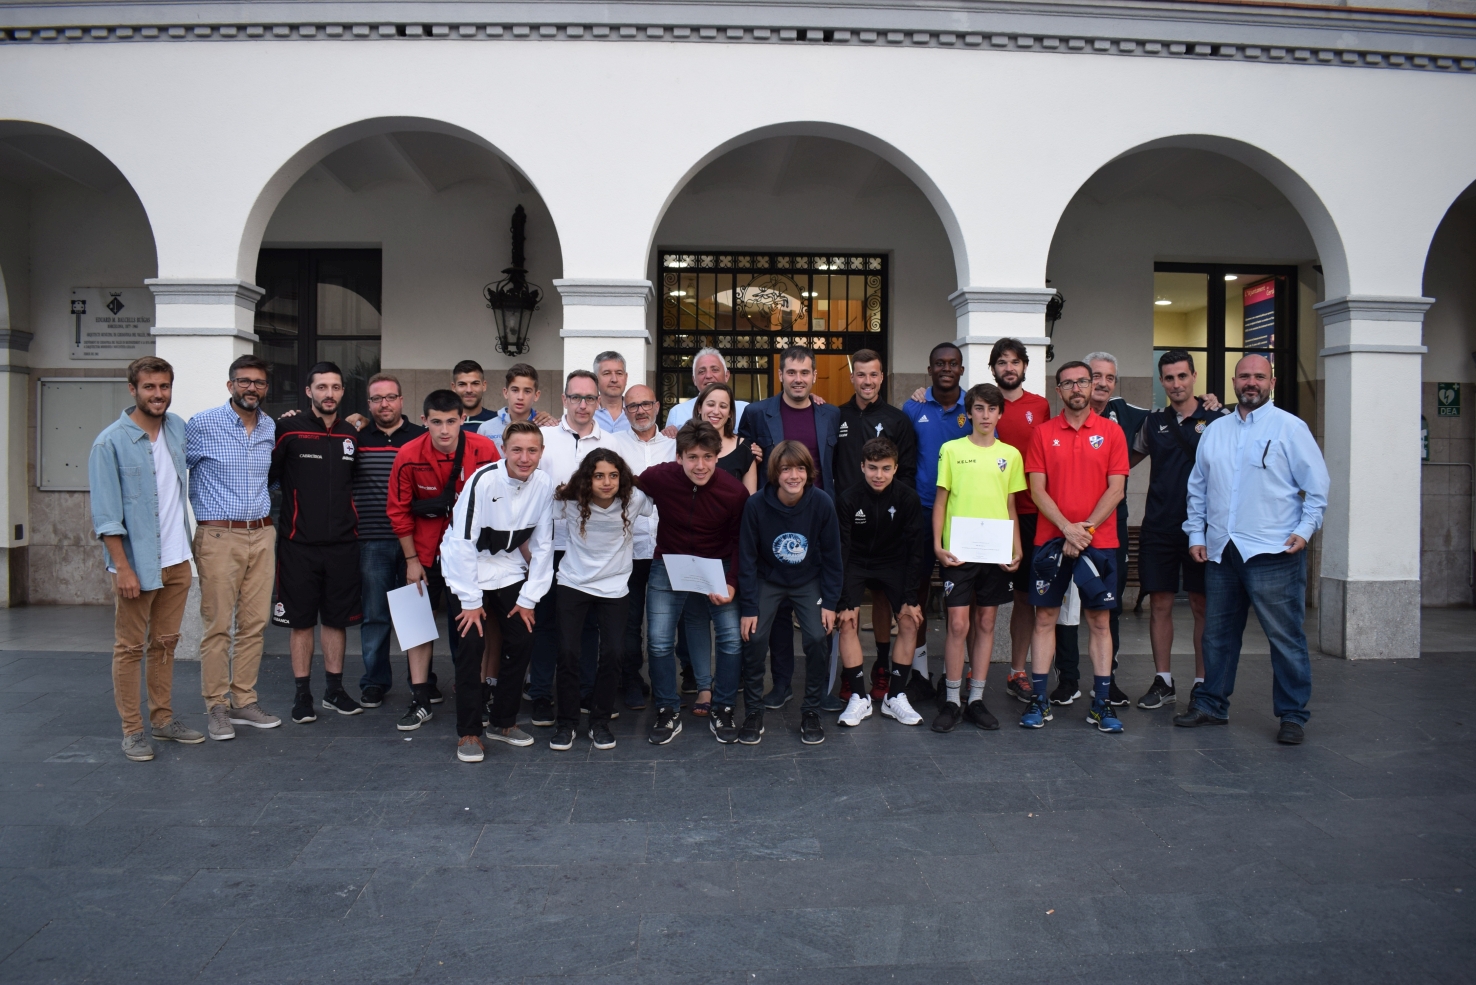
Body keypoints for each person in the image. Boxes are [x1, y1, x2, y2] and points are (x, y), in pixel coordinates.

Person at [1174, 354, 1328, 746]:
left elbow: (1318, 486)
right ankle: (1211, 704)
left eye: (1259, 376)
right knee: (1218, 636)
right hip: (1223, 551)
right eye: (1244, 376)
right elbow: (1198, 488)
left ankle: (1292, 715)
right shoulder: (1215, 430)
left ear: (1271, 383)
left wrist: (1306, 529)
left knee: (1285, 638)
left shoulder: (1291, 428)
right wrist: (1196, 535)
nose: (1251, 382)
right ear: (1233, 381)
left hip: (1274, 551)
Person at [89, 355, 205, 761]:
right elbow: (106, 517)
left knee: (166, 644)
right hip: (137, 565)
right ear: (133, 389)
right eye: (150, 387)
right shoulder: (110, 442)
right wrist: (122, 567)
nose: (159, 394)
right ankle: (133, 731)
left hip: (177, 561)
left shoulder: (177, 429)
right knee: (129, 648)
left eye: (164, 386)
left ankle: (163, 719)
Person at [1019, 361, 1130, 734]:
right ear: (1059, 390)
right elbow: (1037, 490)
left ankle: (1100, 703)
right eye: (1068, 383)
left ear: (1093, 384)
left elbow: (1116, 489)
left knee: (1100, 621)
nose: (1077, 389)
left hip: (1101, 543)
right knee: (1045, 619)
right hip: (1051, 541)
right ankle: (1039, 699)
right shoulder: (1043, 433)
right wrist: (1068, 529)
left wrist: (1086, 530)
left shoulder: (1112, 432)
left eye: (1083, 381)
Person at [439, 421, 556, 762]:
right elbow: (461, 543)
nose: (524, 457)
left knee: (522, 638)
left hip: (506, 567)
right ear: (504, 449)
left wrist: (529, 598)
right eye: (517, 449)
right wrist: (471, 602)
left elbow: (544, 544)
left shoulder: (544, 484)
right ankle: (469, 732)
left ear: (541, 453)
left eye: (532, 450)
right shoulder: (482, 480)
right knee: (471, 642)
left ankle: (503, 722)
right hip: (468, 566)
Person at [387, 389, 500, 731]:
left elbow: (499, 499)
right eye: (436, 422)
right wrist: (411, 560)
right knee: (415, 622)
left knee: (472, 626)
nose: (444, 430)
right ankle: (420, 697)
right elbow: (398, 511)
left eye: (452, 421)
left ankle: (478, 693)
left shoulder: (484, 450)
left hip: (471, 556)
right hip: (422, 553)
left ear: (463, 420)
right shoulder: (407, 454)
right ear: (424, 421)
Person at [738, 346, 842, 711]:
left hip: (816, 519)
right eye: (792, 372)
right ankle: (780, 684)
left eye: (805, 373)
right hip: (771, 521)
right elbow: (742, 458)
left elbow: (837, 467)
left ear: (814, 376)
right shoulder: (756, 412)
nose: (798, 379)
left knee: (818, 625)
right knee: (776, 616)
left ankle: (821, 690)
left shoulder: (830, 413)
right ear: (780, 375)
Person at [184, 353, 281, 740]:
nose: (251, 388)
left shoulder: (269, 427)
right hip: (219, 536)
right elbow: (174, 470)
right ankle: (217, 707)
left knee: (255, 624)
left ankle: (244, 700)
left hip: (261, 534)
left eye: (258, 382)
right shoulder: (202, 424)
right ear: (230, 385)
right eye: (244, 381)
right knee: (218, 625)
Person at [635, 421, 748, 745]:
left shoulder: (733, 491)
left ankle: (723, 706)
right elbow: (628, 484)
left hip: (718, 563)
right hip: (669, 562)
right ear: (679, 456)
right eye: (692, 457)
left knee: (729, 637)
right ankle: (667, 709)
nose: (700, 465)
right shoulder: (660, 476)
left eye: (708, 457)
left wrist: (731, 583)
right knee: (657, 640)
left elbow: (742, 540)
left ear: (717, 457)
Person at [1131, 350, 1228, 710]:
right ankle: (1164, 680)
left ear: (1194, 377)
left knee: (1203, 605)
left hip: (1204, 529)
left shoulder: (1219, 419)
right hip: (1159, 526)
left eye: (1182, 376)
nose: (1176, 384)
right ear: (1161, 382)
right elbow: (1123, 461)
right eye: (1169, 378)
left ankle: (1203, 683)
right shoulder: (1153, 423)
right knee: (1160, 603)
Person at [1050, 351, 1148, 707]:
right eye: (1096, 376)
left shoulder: (1128, 419)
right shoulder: (1057, 421)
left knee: (1106, 607)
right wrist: (1069, 530)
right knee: (1064, 608)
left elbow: (1174, 414)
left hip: (1107, 529)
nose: (1102, 383)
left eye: (1109, 377)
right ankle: (1068, 679)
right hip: (1062, 530)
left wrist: (1208, 402)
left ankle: (1108, 681)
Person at [270, 361, 364, 724]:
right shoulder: (288, 429)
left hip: (343, 544)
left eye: (336, 387)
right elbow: (271, 477)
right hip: (298, 544)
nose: (329, 394)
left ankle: (335, 690)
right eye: (321, 387)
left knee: (337, 621)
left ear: (342, 392)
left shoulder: (351, 433)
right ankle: (302, 694)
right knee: (301, 622)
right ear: (308, 391)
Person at [930, 383, 1025, 733]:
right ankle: (952, 699)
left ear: (1001, 413)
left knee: (986, 623)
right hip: (958, 551)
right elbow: (940, 501)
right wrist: (938, 545)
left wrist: (1017, 547)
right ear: (968, 412)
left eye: (992, 409)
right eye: (979, 408)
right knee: (957, 624)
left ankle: (976, 699)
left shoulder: (1010, 455)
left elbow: (1011, 505)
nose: (986, 415)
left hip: (995, 551)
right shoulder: (951, 450)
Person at [737, 441, 842, 746]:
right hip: (767, 579)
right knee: (754, 637)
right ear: (775, 473)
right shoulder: (756, 505)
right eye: (786, 469)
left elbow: (834, 558)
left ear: (809, 472)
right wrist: (748, 607)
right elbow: (747, 559)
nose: (793, 476)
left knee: (816, 636)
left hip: (808, 580)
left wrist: (830, 602)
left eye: (800, 468)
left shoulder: (822, 503)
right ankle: (754, 712)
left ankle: (811, 710)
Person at [549, 449, 654, 750]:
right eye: (598, 475)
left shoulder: (633, 500)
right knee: (568, 653)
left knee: (613, 654)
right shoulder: (569, 501)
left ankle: (600, 722)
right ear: (587, 478)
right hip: (573, 582)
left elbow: (660, 497)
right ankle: (566, 724)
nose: (606, 482)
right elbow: (537, 520)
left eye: (612, 475)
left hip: (614, 587)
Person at [528, 369, 617, 726]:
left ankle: (584, 690)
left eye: (590, 398)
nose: (583, 404)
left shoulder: (611, 442)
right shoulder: (544, 437)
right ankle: (541, 694)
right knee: (546, 623)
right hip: (547, 548)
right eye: (575, 397)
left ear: (599, 401)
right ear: (563, 399)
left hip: (590, 551)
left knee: (589, 626)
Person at [834, 349, 918, 702]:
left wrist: (896, 514)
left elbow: (909, 473)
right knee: (846, 609)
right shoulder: (834, 415)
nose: (867, 381)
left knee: (885, 601)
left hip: (888, 533)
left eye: (874, 375)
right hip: (848, 525)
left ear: (882, 377)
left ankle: (882, 666)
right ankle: (848, 676)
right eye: (861, 375)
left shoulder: (898, 420)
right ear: (852, 377)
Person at [834, 437, 927, 728]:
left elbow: (915, 549)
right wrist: (844, 600)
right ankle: (859, 698)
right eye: (872, 468)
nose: (878, 475)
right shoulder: (848, 499)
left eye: (886, 468)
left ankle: (895, 696)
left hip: (892, 562)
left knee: (911, 619)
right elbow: (841, 550)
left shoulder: (907, 498)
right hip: (856, 562)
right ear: (862, 466)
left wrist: (910, 597)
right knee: (847, 620)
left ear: (896, 468)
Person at [351, 372, 428, 709]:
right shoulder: (354, 438)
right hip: (372, 539)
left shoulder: (421, 437)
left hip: (414, 541)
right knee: (375, 615)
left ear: (401, 400)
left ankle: (421, 683)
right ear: (368, 404)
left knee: (416, 613)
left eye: (390, 397)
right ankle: (375, 681)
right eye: (377, 398)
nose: (384, 404)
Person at [983, 339, 1053, 706]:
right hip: (987, 516)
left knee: (1026, 597)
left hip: (1029, 514)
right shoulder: (980, 403)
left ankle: (1017, 670)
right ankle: (972, 670)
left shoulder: (1039, 406)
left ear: (1025, 366)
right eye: (1002, 362)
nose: (1009, 368)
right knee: (981, 599)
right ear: (992, 368)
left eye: (1015, 362)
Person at [902, 343, 971, 688]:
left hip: (963, 518)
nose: (946, 368)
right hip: (921, 513)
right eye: (939, 363)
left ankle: (955, 673)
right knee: (915, 593)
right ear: (929, 370)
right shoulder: (913, 407)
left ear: (962, 369)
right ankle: (919, 670)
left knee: (960, 599)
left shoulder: (974, 409)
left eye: (953, 363)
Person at [610, 384, 677, 709]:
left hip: (669, 547)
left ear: (657, 405)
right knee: (630, 619)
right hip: (628, 548)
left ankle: (679, 678)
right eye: (633, 405)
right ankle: (631, 680)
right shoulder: (614, 445)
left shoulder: (675, 445)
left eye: (646, 404)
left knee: (669, 620)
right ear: (624, 410)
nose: (640, 410)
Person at [663, 347, 749, 434]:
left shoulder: (745, 410)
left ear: (726, 376)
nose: (708, 376)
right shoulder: (678, 412)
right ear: (694, 380)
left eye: (715, 370)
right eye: (701, 371)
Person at [478, 362, 556, 453]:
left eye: (527, 391)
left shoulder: (547, 427)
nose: (520, 397)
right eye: (515, 390)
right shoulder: (486, 429)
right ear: (506, 392)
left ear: (536, 395)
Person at [697, 382, 758, 492]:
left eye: (723, 406)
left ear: (730, 413)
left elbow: (750, 501)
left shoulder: (744, 448)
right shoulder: (685, 444)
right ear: (699, 408)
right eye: (710, 404)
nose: (716, 411)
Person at [452, 359, 497, 433]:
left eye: (475, 383)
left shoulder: (497, 421)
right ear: (454, 387)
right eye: (462, 384)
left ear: (484, 385)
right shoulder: (441, 424)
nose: (469, 390)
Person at [593, 350, 632, 433]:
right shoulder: (586, 411)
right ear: (595, 378)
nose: (614, 380)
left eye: (619, 373)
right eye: (607, 373)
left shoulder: (636, 411)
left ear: (626, 377)